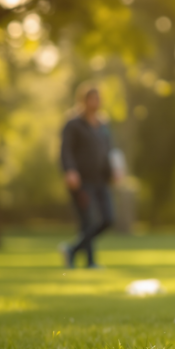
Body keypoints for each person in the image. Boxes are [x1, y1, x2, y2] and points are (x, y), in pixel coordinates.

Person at [59, 83, 114, 268]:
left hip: (101, 180)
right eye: (93, 98)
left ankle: (72, 250)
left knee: (108, 219)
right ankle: (90, 262)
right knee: (88, 221)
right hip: (81, 181)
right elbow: (65, 150)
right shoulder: (73, 124)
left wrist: (114, 171)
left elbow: (108, 151)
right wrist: (70, 171)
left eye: (98, 98)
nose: (97, 102)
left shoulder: (103, 125)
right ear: (83, 100)